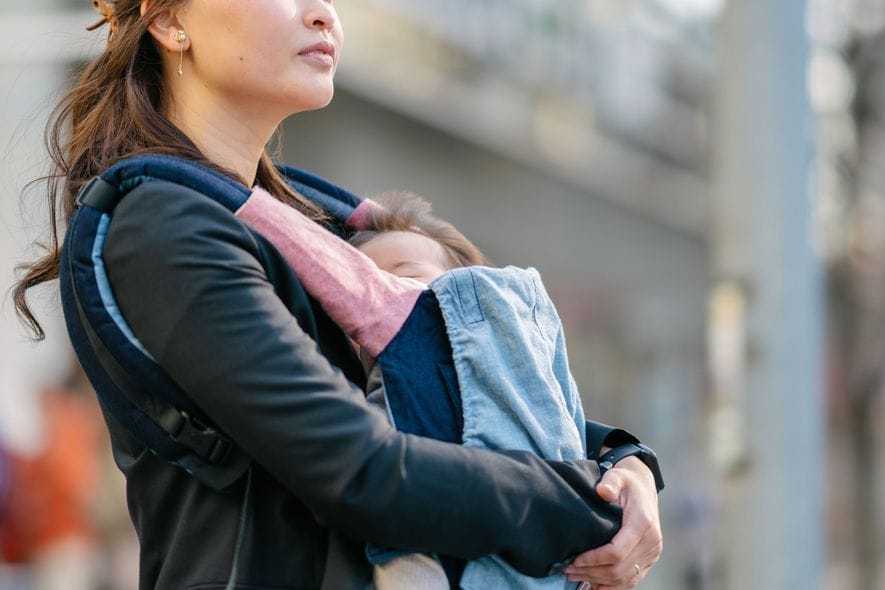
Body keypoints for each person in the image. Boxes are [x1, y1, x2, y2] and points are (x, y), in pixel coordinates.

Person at [11, 1, 663, 588]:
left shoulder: (312, 220)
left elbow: (472, 384)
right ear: (169, 20)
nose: (324, 14)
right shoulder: (163, 227)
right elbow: (360, 471)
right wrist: (587, 504)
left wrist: (624, 466)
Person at [236, 189, 594, 589]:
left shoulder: (456, 330)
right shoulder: (362, 379)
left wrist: (226, 195)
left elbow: (301, 244)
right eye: (358, 283)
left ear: (465, 290)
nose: (379, 289)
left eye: (405, 274)